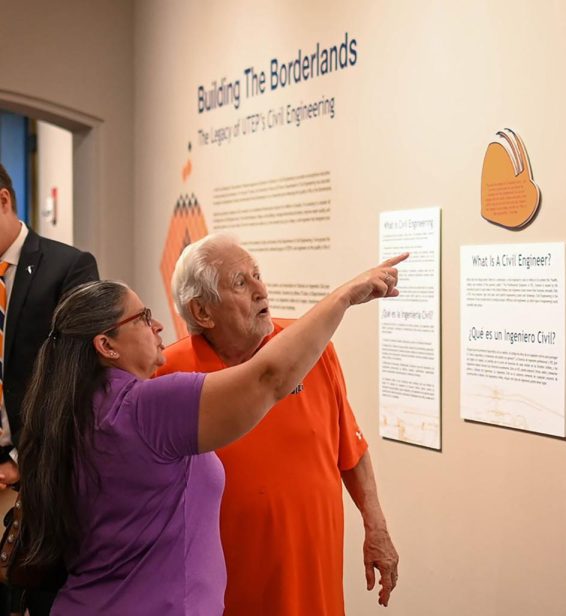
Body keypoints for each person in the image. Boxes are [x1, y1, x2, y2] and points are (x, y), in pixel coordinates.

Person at [16, 253, 404, 615]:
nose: (157, 325)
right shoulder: (149, 404)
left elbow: (347, 444)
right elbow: (268, 379)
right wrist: (344, 298)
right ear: (106, 346)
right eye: (142, 317)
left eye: (257, 275)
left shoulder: (70, 407)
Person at [158, 234, 399, 615]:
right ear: (202, 312)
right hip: (226, 592)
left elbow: (350, 449)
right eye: (241, 282)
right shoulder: (169, 376)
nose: (260, 289)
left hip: (312, 582)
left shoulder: (312, 349)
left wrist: (377, 527)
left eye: (257, 275)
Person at [0, 162, 98, 616]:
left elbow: (77, 375)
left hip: (38, 474)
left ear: (3, 202)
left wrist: (22, 460)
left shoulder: (69, 267)